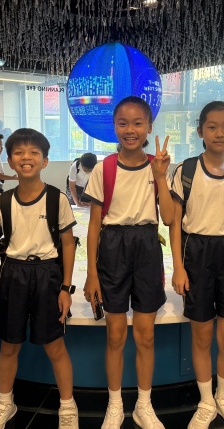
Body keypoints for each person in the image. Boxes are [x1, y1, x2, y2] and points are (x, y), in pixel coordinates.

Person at [0, 128, 79, 429]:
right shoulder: (2, 201)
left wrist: (66, 288)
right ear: (10, 160)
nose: (26, 157)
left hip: (47, 275)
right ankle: (6, 402)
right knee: (9, 345)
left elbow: (68, 244)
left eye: (33, 153)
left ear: (45, 161)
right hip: (13, 274)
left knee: (55, 346)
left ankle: (68, 406)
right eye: (18, 152)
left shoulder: (56, 199)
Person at [83, 96, 174, 429]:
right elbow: (94, 225)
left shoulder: (158, 166)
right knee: (115, 334)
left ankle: (144, 405)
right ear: (114, 127)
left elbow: (169, 218)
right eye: (123, 123)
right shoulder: (104, 168)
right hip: (112, 248)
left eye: (138, 123)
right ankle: (115, 404)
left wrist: (161, 176)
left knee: (146, 335)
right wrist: (92, 274)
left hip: (147, 247)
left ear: (149, 127)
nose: (130, 129)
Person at [169, 101, 224, 429]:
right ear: (200, 131)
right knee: (202, 336)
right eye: (212, 127)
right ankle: (206, 401)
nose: (220, 133)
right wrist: (178, 267)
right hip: (197, 254)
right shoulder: (186, 170)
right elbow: (174, 223)